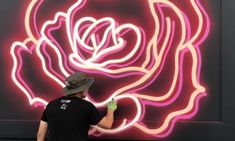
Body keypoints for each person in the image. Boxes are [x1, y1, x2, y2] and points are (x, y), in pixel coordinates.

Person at [37, 72, 118, 141]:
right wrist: (111, 108)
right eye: (87, 87)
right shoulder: (86, 106)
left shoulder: (51, 105)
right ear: (81, 89)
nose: (87, 89)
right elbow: (107, 125)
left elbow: (40, 135)